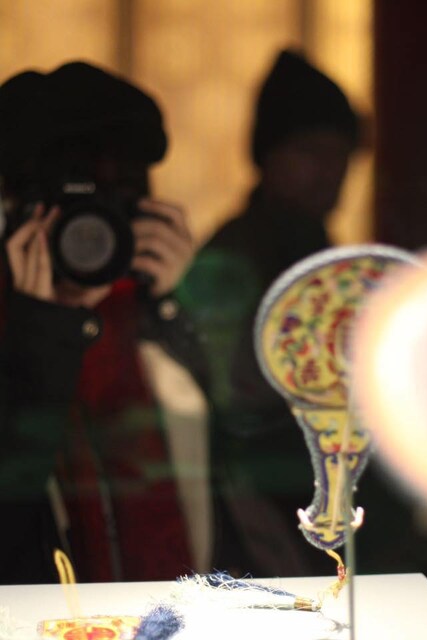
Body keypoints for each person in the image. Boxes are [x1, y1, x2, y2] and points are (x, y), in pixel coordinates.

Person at [0, 61, 212, 584]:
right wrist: (42, 327)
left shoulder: (148, 313)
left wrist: (176, 312)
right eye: (66, 206)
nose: (87, 233)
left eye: (109, 202)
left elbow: (250, 465)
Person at [179, 49, 360, 577]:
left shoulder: (317, 253)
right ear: (269, 155)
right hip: (259, 502)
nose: (329, 170)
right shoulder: (233, 259)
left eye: (341, 154)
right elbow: (231, 400)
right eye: (310, 151)